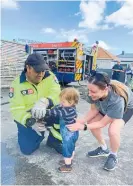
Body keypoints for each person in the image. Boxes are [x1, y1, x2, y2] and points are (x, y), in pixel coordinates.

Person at [67, 72, 133, 171]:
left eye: (93, 91)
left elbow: (102, 123)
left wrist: (83, 127)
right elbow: (94, 110)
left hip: (126, 108)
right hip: (107, 103)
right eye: (89, 90)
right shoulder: (92, 91)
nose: (89, 94)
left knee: (113, 130)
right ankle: (103, 148)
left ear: (105, 89)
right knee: (92, 122)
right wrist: (81, 121)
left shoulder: (117, 100)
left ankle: (113, 155)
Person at [9, 53, 62, 155]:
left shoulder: (50, 76)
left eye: (43, 70)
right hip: (30, 117)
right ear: (28, 68)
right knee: (27, 149)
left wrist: (46, 101)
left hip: (47, 112)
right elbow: (16, 109)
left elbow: (57, 93)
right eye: (37, 71)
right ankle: (36, 134)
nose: (41, 74)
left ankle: (54, 140)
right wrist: (30, 122)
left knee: (66, 112)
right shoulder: (17, 85)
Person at [44, 87, 80, 172]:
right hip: (73, 132)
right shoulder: (70, 107)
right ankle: (69, 160)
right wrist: (59, 105)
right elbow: (58, 108)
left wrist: (45, 111)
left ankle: (67, 166)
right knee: (71, 147)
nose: (61, 103)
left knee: (66, 149)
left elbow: (56, 112)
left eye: (63, 102)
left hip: (69, 134)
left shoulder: (68, 111)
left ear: (71, 102)